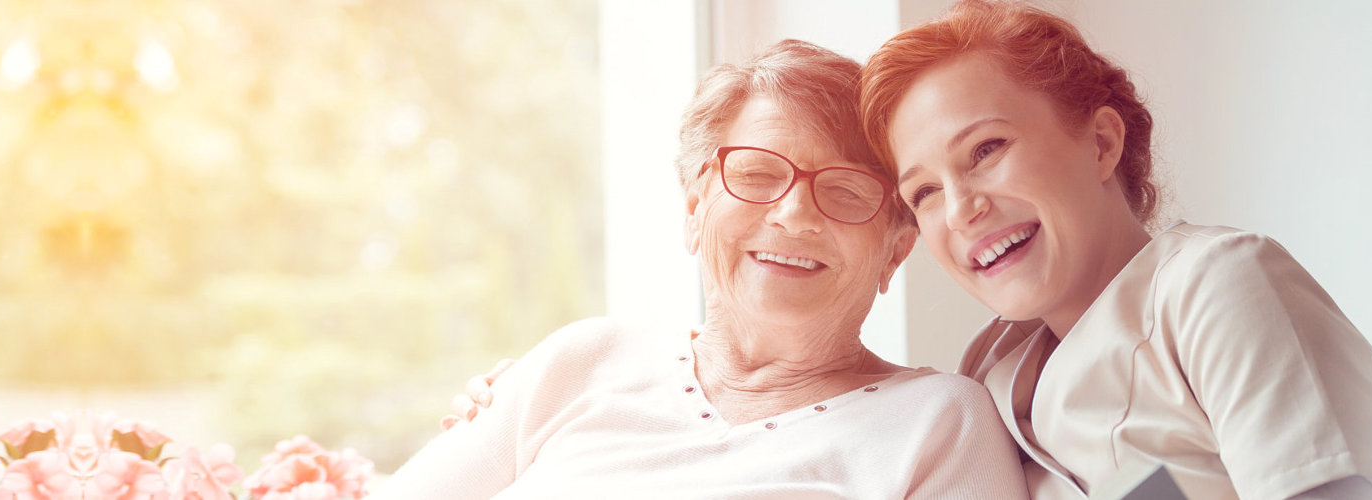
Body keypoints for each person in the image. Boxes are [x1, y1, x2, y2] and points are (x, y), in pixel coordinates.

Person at [375, 39, 1027, 499]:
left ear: (893, 250)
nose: (795, 214)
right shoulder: (584, 359)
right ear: (694, 210)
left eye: (847, 190)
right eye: (756, 174)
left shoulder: (940, 422)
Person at [855, 1, 1372, 499]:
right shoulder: (984, 380)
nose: (959, 210)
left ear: (1101, 143)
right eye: (924, 192)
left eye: (986, 149)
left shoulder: (1221, 286)